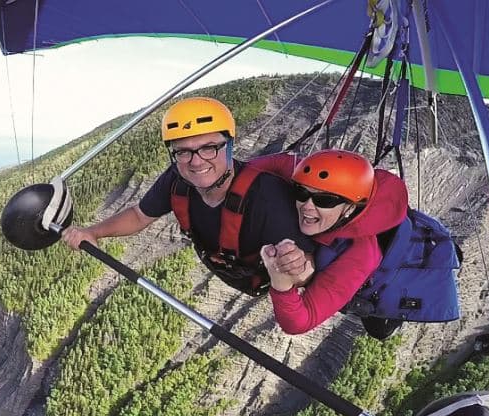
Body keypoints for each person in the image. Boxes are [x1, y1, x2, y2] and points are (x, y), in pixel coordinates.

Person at [61, 97, 314, 296]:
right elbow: (139, 215)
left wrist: (296, 266)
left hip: (262, 276)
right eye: (183, 152)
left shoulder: (267, 197)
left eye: (209, 147)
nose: (196, 161)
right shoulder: (177, 180)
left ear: (229, 146)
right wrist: (93, 232)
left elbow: (307, 270)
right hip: (231, 269)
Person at [259, 149, 410, 339]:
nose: (307, 205)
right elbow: (280, 163)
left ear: (349, 208)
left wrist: (281, 281)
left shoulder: (360, 254)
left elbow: (299, 321)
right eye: (301, 192)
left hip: (363, 285)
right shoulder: (316, 178)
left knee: (377, 329)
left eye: (325, 200)